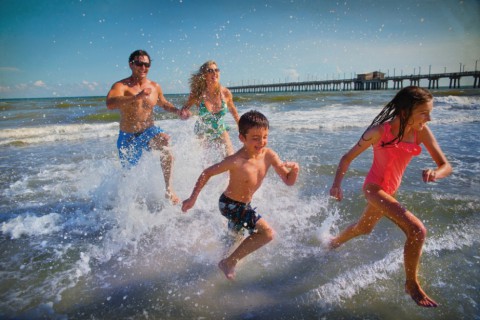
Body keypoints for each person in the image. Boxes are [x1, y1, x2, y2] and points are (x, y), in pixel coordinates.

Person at [328, 86, 452, 308]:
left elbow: (445, 165)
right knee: (417, 230)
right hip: (374, 189)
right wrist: (337, 184)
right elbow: (346, 158)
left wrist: (436, 173)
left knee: (364, 228)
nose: (430, 118)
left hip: (389, 191)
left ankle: (332, 242)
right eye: (424, 112)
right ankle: (411, 284)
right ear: (405, 112)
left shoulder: (420, 132)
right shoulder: (378, 131)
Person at [181, 110, 300, 280]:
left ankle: (217, 262)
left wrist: (295, 170)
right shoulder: (236, 160)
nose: (261, 142)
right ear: (242, 138)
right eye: (255, 138)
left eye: (265, 136)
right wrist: (192, 198)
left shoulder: (270, 156)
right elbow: (206, 173)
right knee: (267, 233)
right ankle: (228, 262)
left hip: (244, 205)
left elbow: (288, 181)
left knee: (234, 238)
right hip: (229, 205)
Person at [106, 49, 188, 204]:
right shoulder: (121, 85)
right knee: (128, 175)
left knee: (165, 143)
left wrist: (178, 111)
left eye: (146, 64)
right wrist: (135, 97)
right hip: (128, 136)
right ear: (131, 64)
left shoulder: (155, 86)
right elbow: (110, 104)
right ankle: (125, 201)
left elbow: (163, 103)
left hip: (149, 131)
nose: (143, 67)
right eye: (139, 63)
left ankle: (168, 189)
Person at [181, 60, 240, 156]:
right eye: (210, 71)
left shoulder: (225, 93)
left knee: (230, 159)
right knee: (204, 164)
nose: (214, 73)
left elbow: (234, 113)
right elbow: (185, 108)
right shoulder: (197, 94)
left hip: (220, 130)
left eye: (216, 70)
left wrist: (243, 130)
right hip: (202, 133)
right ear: (204, 75)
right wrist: (184, 113)